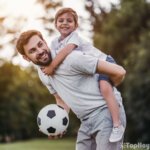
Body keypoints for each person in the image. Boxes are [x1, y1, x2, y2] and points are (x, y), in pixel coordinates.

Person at [16, 29, 126, 150]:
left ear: (45, 42)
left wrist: (107, 92)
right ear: (26, 58)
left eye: (40, 44)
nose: (40, 51)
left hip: (106, 114)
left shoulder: (71, 59)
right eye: (33, 50)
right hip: (85, 121)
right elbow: (61, 100)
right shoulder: (43, 74)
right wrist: (57, 122)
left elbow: (119, 72)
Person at [41, 8, 125, 142]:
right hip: (92, 69)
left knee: (105, 89)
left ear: (76, 25)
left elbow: (66, 51)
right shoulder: (54, 43)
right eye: (61, 20)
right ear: (55, 24)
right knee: (101, 89)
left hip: (104, 62)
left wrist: (52, 66)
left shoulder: (74, 37)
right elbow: (53, 57)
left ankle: (117, 125)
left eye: (69, 21)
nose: (65, 23)